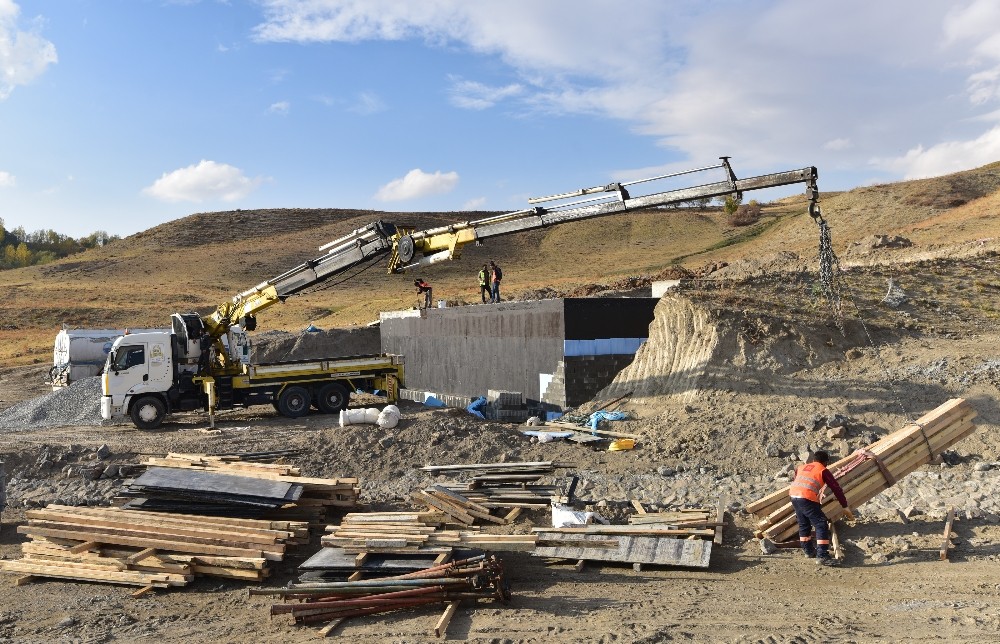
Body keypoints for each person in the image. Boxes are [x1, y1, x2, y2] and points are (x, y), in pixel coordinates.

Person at [789, 450, 854, 566]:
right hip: (806, 498)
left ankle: (808, 551)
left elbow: (797, 481)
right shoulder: (823, 470)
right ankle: (822, 556)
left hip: (793, 495)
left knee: (803, 524)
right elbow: (836, 488)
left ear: (813, 460)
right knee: (821, 524)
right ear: (826, 462)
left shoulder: (801, 467)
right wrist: (845, 506)